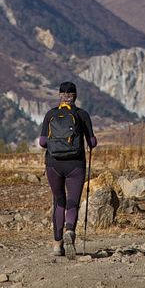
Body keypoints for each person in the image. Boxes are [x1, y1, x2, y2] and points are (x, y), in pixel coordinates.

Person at [38, 81, 95, 257]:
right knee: (73, 201)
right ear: (75, 96)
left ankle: (57, 245)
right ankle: (70, 230)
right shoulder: (82, 114)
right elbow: (92, 142)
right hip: (76, 164)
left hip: (54, 164)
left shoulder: (51, 114)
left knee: (59, 201)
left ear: (60, 95)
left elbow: (41, 142)